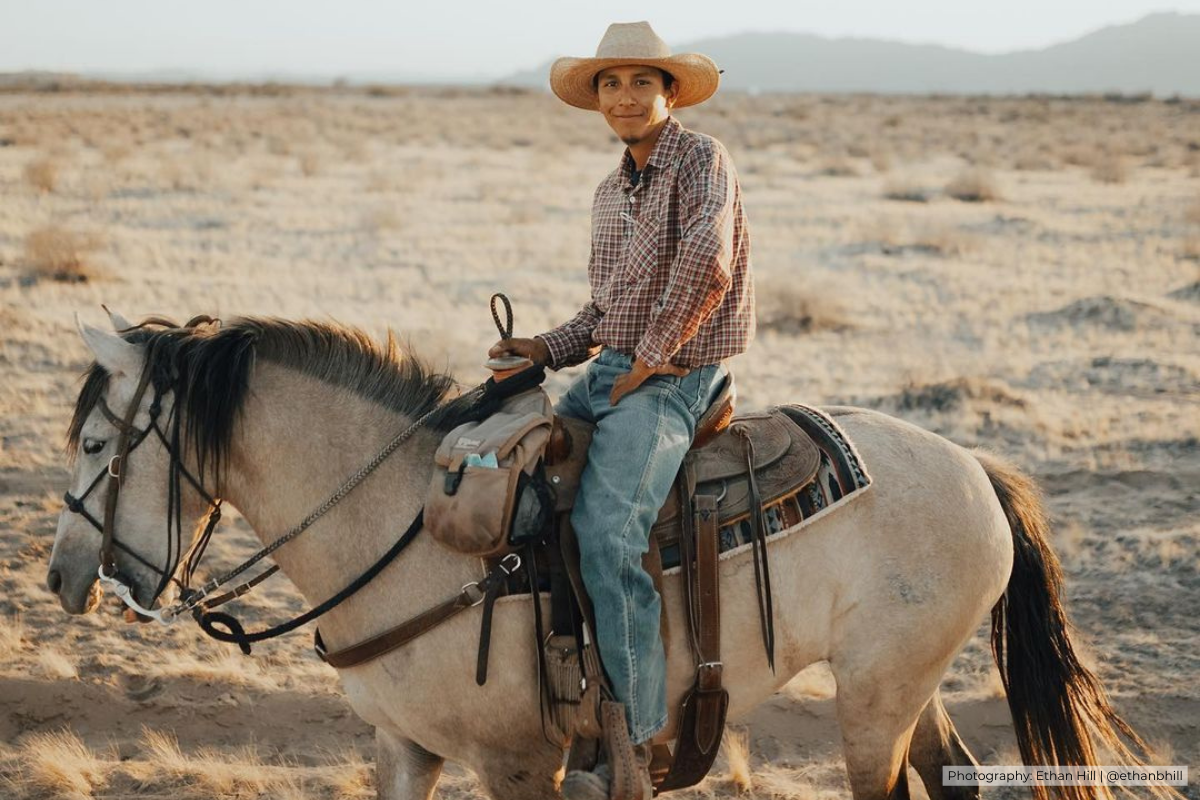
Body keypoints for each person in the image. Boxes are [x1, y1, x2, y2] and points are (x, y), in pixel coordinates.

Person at [488, 20, 754, 800]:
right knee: (506, 478)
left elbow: (709, 261)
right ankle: (544, 681)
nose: (626, 96)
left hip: (679, 375)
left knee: (607, 530)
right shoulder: (611, 191)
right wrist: (544, 348)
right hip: (613, 369)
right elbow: (605, 310)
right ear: (597, 99)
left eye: (643, 81)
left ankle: (638, 739)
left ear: (670, 92)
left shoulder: (702, 160)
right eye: (611, 83)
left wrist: (650, 358)